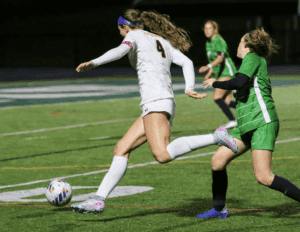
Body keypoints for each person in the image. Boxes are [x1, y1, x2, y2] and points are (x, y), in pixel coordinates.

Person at [71, 9, 238, 215]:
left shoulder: (134, 36)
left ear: (125, 27)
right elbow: (187, 62)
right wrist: (188, 87)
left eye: (120, 30)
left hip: (156, 102)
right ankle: (98, 199)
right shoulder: (159, 39)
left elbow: (119, 51)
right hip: (161, 102)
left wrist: (94, 62)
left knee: (162, 154)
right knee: (122, 147)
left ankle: (216, 136)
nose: (121, 34)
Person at [197, 28, 300, 218]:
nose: (237, 44)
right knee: (218, 161)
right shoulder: (248, 63)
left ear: (248, 45)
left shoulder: (252, 57)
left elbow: (238, 82)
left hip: (262, 122)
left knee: (264, 176)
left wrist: (215, 83)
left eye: (240, 42)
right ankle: (219, 209)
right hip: (245, 125)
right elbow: (241, 85)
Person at [199, 20, 237, 129]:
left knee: (217, 96)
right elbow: (214, 60)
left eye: (209, 28)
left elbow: (220, 58)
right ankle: (252, 108)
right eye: (205, 28)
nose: (206, 31)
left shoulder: (219, 40)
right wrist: (210, 72)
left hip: (227, 72)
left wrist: (208, 67)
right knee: (227, 102)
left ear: (215, 29)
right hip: (221, 73)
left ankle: (232, 120)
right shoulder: (208, 42)